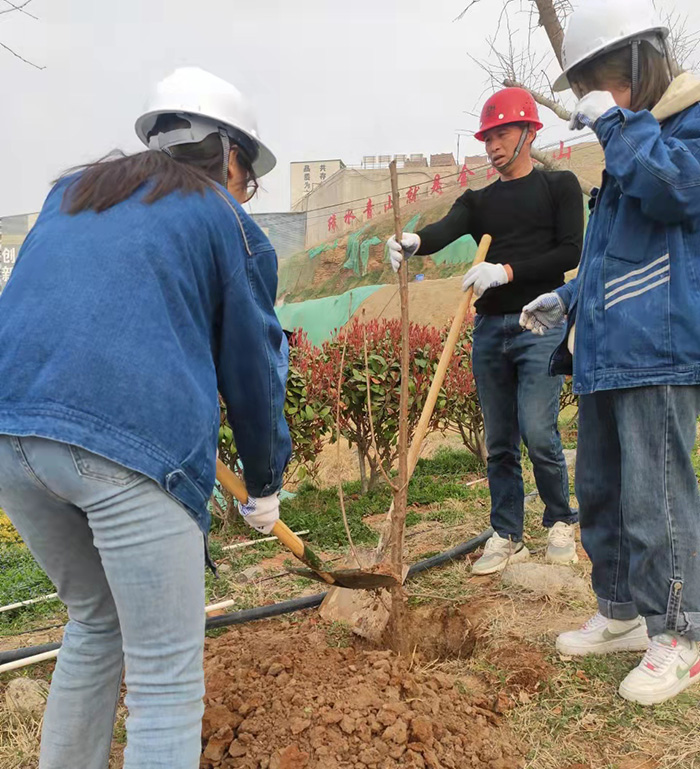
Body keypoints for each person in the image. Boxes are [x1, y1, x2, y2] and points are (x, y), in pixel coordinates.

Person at [0, 67, 291, 768]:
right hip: (130, 448)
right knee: (164, 680)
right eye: (246, 177)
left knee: (95, 624)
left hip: (10, 435)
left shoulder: (70, 194)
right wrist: (266, 481)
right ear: (229, 155)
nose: (243, 193)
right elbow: (253, 368)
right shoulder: (225, 219)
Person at [521, 0, 700, 706]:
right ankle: (624, 611)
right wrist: (564, 299)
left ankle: (681, 633)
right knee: (601, 492)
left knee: (655, 496)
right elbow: (608, 253)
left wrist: (618, 122)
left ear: (639, 65)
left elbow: (674, 192)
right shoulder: (632, 136)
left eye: (604, 80)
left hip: (657, 344)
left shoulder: (683, 123)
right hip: (604, 348)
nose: (598, 96)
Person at [388, 87, 583, 575]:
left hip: (538, 324)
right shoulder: (480, 200)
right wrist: (413, 240)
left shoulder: (558, 187)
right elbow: (445, 228)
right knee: (499, 439)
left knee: (538, 431)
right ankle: (506, 534)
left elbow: (570, 253)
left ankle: (560, 519)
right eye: (488, 137)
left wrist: (507, 271)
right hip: (490, 330)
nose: (492, 146)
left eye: (502, 134)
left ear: (528, 132)